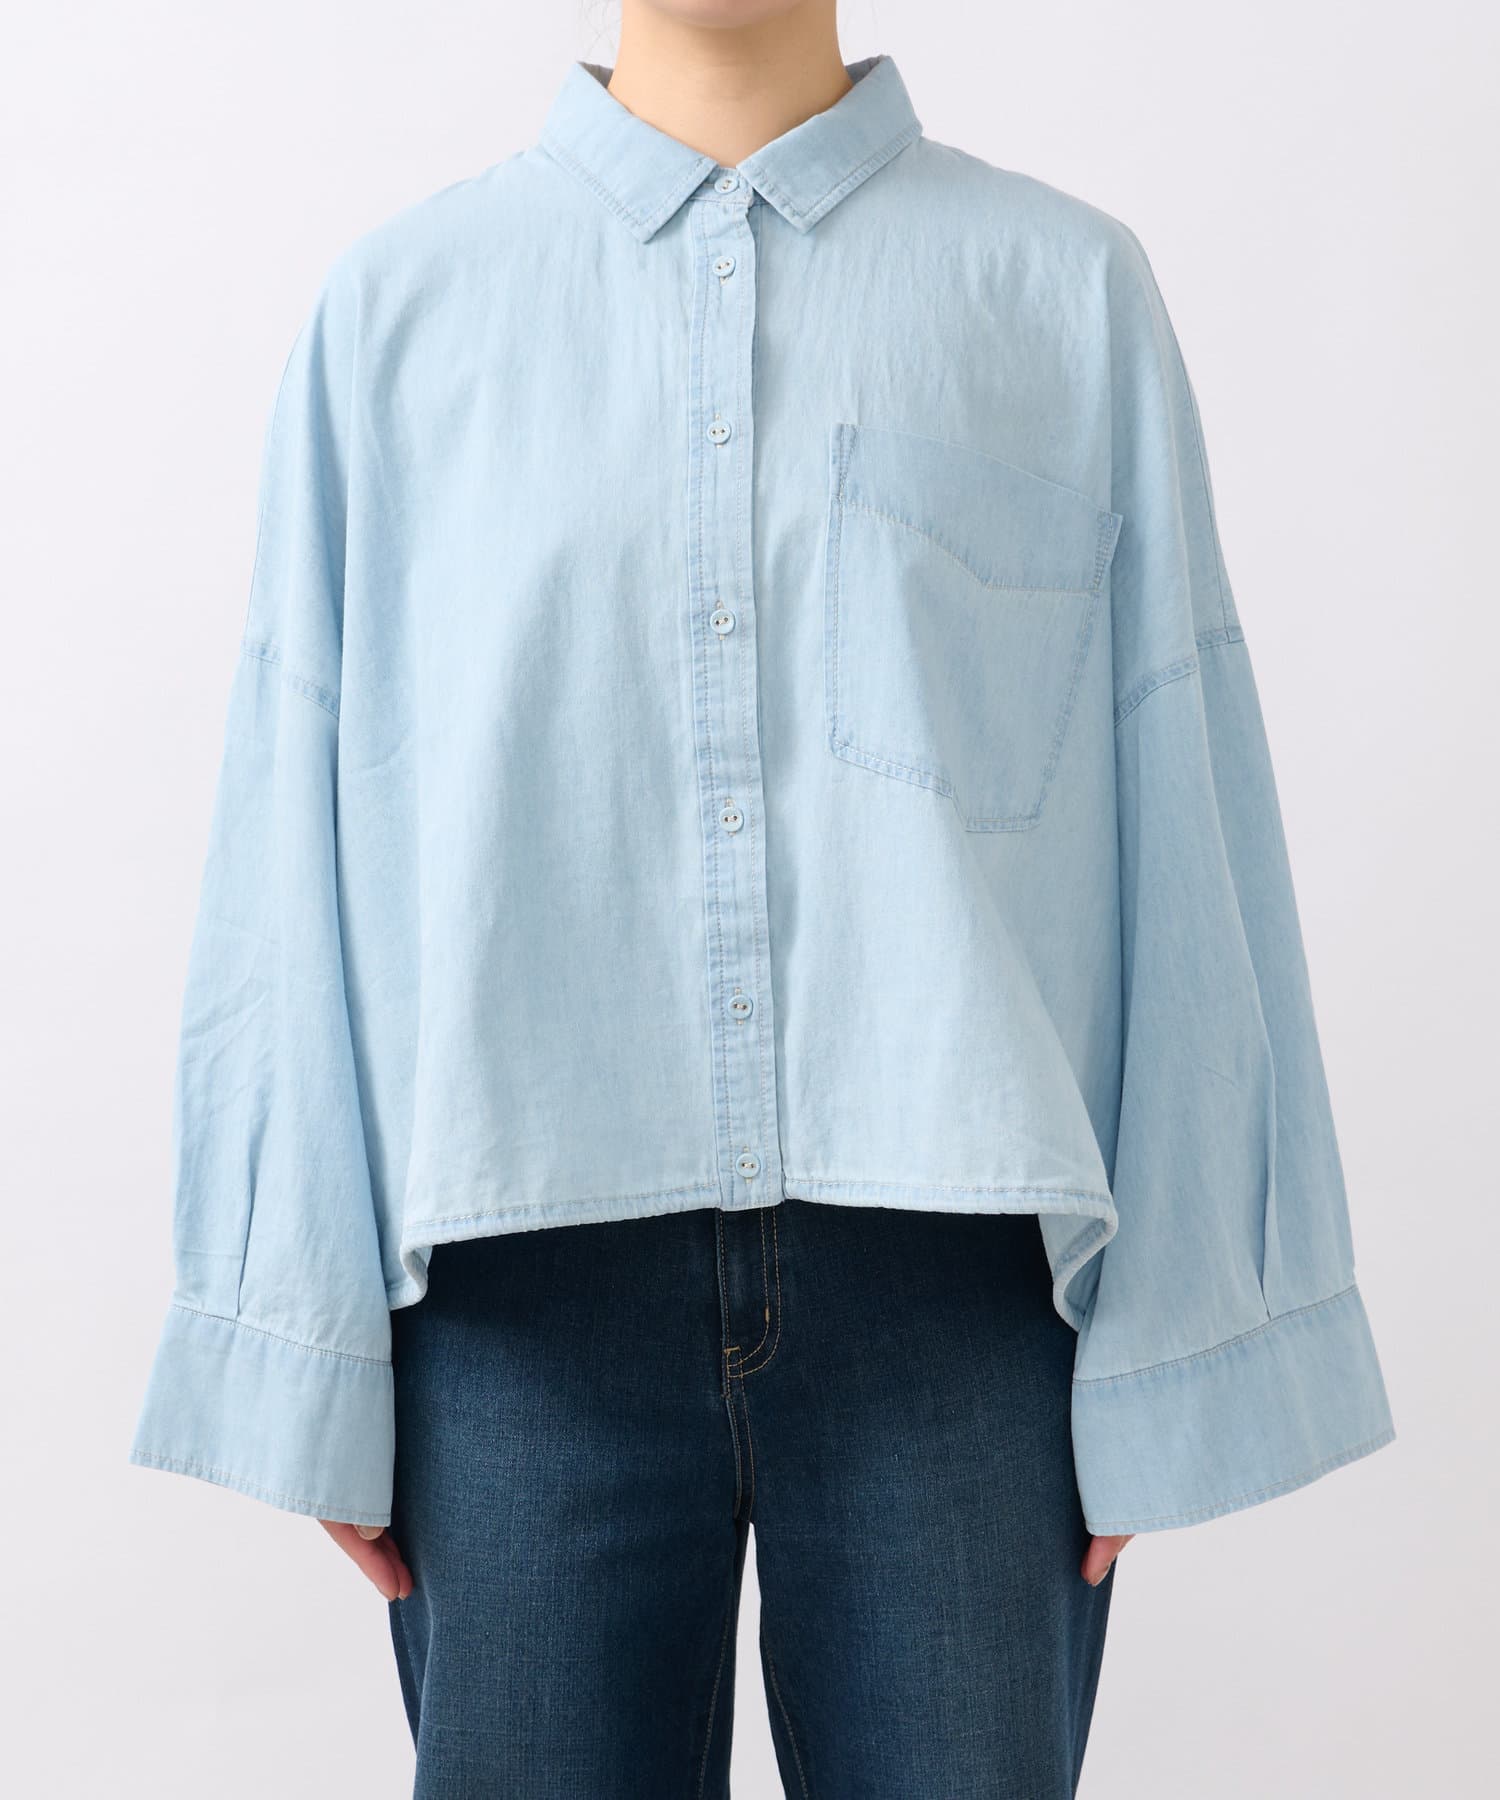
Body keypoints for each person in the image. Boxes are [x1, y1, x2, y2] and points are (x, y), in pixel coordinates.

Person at [128, 2, 1397, 1794]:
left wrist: (1186, 1338)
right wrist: (293, 1347)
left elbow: (1184, 805)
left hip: (957, 1307)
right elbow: (292, 837)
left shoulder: (1058, 296)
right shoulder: (398, 320)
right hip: (515, 1312)